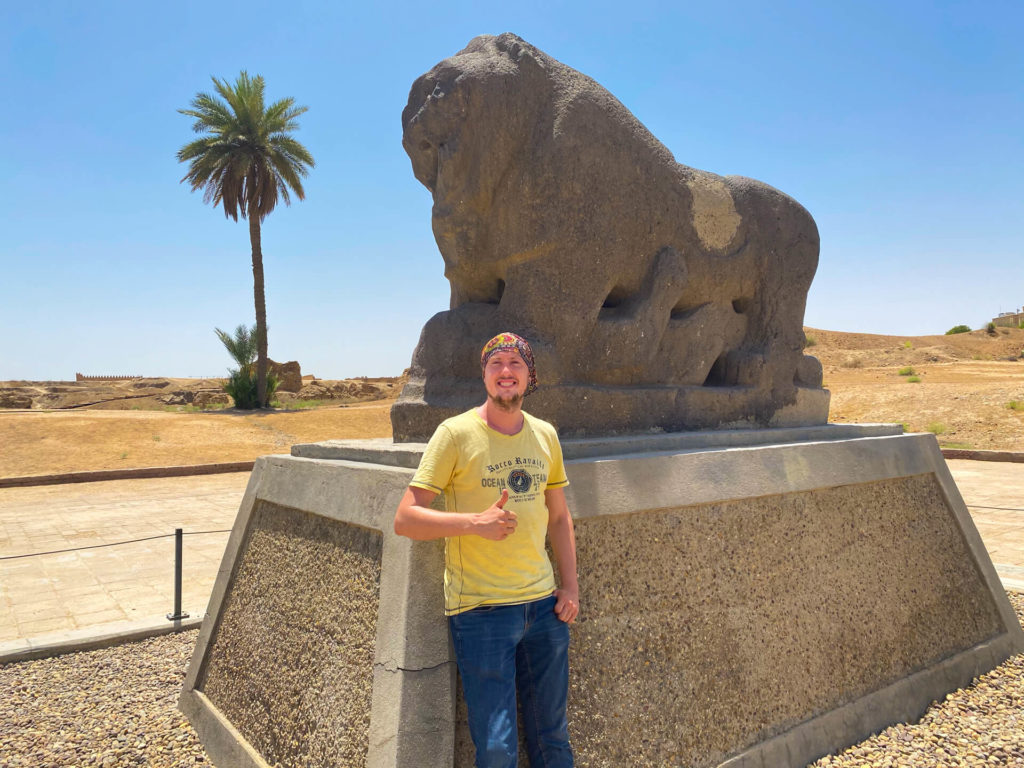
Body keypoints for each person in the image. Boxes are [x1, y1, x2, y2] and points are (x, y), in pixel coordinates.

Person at [394, 331, 579, 768]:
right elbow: (405, 519)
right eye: (495, 364)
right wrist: (474, 523)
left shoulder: (546, 435)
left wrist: (569, 586)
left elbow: (558, 517)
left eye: (515, 363)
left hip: (544, 609)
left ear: (529, 375)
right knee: (496, 749)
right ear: (485, 376)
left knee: (553, 739)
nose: (505, 372)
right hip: (481, 612)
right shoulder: (454, 434)